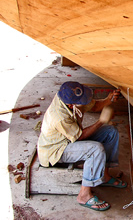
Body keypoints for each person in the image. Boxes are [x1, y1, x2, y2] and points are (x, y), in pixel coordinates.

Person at [37, 81, 126, 211]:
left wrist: (109, 100)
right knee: (95, 149)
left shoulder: (69, 96)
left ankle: (105, 176)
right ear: (71, 105)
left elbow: (93, 106)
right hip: (57, 149)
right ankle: (84, 195)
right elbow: (80, 136)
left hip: (70, 139)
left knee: (110, 132)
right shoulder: (59, 116)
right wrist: (101, 121)